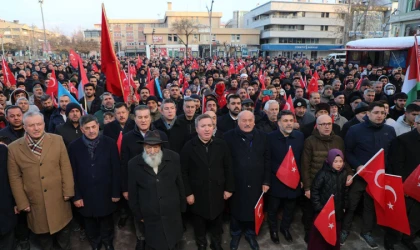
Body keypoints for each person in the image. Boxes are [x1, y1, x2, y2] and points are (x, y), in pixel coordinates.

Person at [7, 111, 74, 250]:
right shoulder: (13, 148)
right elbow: (14, 177)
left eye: (39, 124)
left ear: (44, 124)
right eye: (31, 125)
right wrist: (21, 202)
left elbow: (65, 167)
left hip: (59, 199)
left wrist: (68, 190)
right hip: (35, 201)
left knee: (64, 237)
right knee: (44, 240)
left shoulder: (57, 140)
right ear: (24, 127)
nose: (36, 128)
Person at [341, 102, 397, 249]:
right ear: (368, 113)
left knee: (370, 207)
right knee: (351, 204)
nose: (380, 116)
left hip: (378, 178)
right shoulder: (355, 130)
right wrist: (358, 165)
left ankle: (366, 232)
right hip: (360, 175)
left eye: (382, 113)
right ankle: (344, 230)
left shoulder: (390, 131)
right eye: (376, 112)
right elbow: (347, 151)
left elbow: (391, 155)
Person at [181, 114, 234, 250]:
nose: (207, 129)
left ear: (213, 127)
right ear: (196, 128)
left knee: (217, 220)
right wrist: (188, 193)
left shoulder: (221, 144)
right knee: (199, 221)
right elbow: (183, 172)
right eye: (203, 126)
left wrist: (229, 188)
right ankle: (202, 243)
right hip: (197, 193)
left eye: (209, 126)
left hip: (218, 190)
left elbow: (228, 167)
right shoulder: (189, 146)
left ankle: (216, 243)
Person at [68, 114, 120, 250]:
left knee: (107, 221)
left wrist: (116, 192)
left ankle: (108, 243)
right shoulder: (74, 147)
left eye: (93, 127)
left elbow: (116, 169)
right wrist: (76, 196)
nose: (91, 131)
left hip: (106, 192)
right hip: (85, 194)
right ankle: (95, 244)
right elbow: (71, 173)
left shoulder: (109, 143)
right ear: (82, 129)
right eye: (87, 128)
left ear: (98, 126)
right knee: (89, 222)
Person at [120, 105, 169, 250]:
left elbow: (168, 160)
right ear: (134, 118)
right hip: (138, 185)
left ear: (151, 117)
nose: (143, 120)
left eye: (146, 117)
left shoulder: (161, 135)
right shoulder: (128, 137)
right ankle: (141, 239)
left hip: (158, 182)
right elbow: (124, 163)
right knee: (139, 212)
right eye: (139, 117)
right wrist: (125, 188)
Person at [128, 130, 186, 250]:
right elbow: (133, 194)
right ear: (144, 146)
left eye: (156, 147)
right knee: (154, 244)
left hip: (172, 213)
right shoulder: (133, 164)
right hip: (150, 215)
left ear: (161, 146)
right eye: (149, 147)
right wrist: (139, 215)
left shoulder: (174, 158)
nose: (152, 151)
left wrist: (182, 208)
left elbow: (180, 184)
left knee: (173, 242)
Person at [301, 114, 353, 243]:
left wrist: (350, 173)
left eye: (329, 124)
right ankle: (309, 232)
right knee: (311, 211)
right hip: (315, 183)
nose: (326, 127)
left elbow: (344, 160)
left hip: (334, 183)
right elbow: (305, 165)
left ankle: (328, 234)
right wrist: (307, 187)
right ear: (317, 126)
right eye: (323, 124)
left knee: (331, 213)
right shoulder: (310, 141)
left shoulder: (338, 140)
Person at [224, 111, 270, 250]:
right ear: (238, 122)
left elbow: (268, 161)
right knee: (236, 208)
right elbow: (225, 163)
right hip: (236, 182)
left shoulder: (263, 137)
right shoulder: (228, 137)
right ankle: (236, 234)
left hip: (257, 182)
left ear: (254, 122)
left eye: (250, 120)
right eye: (244, 120)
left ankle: (251, 234)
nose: (247, 123)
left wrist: (266, 181)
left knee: (253, 208)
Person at [267, 110, 304, 244]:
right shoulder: (270, 137)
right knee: (273, 208)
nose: (289, 124)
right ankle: (273, 230)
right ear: (278, 123)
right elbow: (267, 159)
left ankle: (285, 228)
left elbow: (302, 159)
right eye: (285, 121)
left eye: (291, 121)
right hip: (276, 179)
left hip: (294, 180)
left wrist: (302, 179)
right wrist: (281, 171)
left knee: (290, 208)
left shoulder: (300, 136)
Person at [390, 114, 420, 249]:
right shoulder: (403, 140)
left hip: (418, 186)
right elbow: (397, 164)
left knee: (416, 216)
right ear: (416, 124)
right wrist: (403, 185)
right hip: (405, 185)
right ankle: (391, 239)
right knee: (399, 214)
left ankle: (409, 238)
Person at [308, 149, 348, 250]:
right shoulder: (323, 174)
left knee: (334, 233)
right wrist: (319, 207)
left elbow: (345, 192)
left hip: (337, 211)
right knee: (320, 235)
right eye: (335, 161)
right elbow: (315, 191)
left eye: (340, 161)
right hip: (323, 211)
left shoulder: (344, 173)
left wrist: (344, 206)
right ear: (330, 161)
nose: (338, 164)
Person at [0, 143, 18, 250]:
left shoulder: (3, 150)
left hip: (5, 207)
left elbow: (12, 177)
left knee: (8, 241)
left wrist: (16, 202)